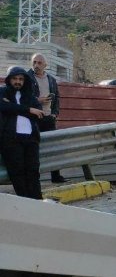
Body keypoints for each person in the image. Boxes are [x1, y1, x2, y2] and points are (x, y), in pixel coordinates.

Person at [0, 66, 44, 199]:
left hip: (31, 139)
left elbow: (39, 113)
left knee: (33, 171)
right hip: (11, 139)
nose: (18, 82)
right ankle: (25, 203)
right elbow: (3, 106)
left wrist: (14, 108)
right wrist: (29, 110)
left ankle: (37, 202)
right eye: (14, 78)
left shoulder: (29, 96)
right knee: (17, 173)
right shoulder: (2, 92)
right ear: (9, 80)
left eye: (20, 79)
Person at [27, 53, 65, 183]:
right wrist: (38, 100)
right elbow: (23, 98)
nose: (36, 65)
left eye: (39, 63)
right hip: (33, 117)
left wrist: (55, 114)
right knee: (33, 149)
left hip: (48, 117)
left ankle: (56, 176)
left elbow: (57, 98)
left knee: (53, 147)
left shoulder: (51, 79)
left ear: (45, 65)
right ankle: (33, 177)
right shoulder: (26, 78)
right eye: (34, 62)